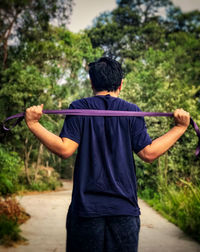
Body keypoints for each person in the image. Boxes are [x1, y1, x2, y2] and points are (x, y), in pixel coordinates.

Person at [25, 57, 190, 252]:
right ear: (121, 84)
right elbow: (149, 153)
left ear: (91, 82)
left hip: (86, 212)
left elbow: (65, 149)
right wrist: (180, 127)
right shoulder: (131, 111)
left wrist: (34, 124)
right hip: (124, 211)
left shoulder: (79, 108)